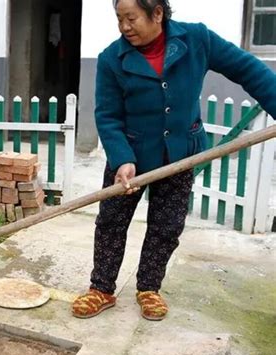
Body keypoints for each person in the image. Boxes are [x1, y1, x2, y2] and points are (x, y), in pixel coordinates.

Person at [72, 0, 276, 320]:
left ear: (157, 13)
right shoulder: (113, 58)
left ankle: (149, 288)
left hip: (180, 153)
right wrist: (122, 158)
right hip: (131, 157)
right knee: (111, 222)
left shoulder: (197, 40)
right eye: (119, 18)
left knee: (166, 226)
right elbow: (108, 116)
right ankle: (101, 288)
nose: (125, 26)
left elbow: (248, 70)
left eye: (131, 18)